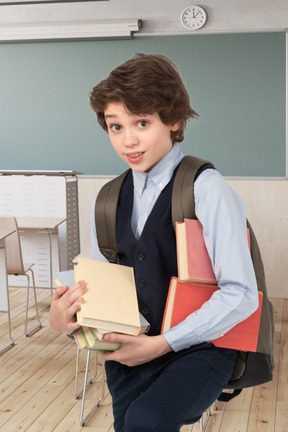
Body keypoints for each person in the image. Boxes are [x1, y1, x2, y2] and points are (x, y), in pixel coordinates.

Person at [49, 53, 259, 432]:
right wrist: (68, 323)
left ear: (174, 119)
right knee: (130, 425)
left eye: (142, 123)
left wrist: (163, 344)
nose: (128, 140)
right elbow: (103, 297)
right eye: (115, 126)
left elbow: (241, 293)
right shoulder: (110, 197)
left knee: (146, 421)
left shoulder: (206, 187)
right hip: (130, 351)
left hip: (201, 349)